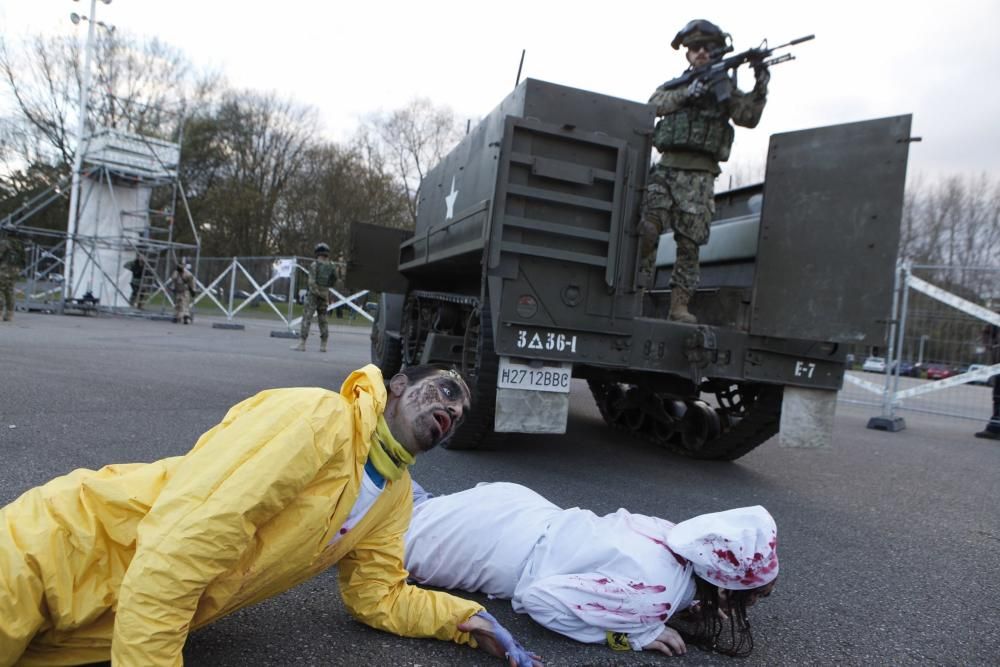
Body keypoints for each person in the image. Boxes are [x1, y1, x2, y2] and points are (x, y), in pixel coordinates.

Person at [0, 365, 541, 667]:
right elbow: (181, 547)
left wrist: (463, 621)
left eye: (460, 414)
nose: (452, 410)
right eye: (447, 390)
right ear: (398, 384)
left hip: (97, 621)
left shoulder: (394, 494)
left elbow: (378, 596)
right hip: (54, 552)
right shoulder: (318, 419)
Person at [405, 481, 778, 658]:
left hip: (516, 506)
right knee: (375, 522)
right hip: (479, 545)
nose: (758, 601)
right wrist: (631, 636)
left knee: (415, 501)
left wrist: (689, 604)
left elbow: (633, 565)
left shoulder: (674, 535)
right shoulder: (658, 597)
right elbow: (540, 600)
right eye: (757, 595)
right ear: (725, 588)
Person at [638, 19, 770, 323]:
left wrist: (760, 83)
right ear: (687, 53)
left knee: (689, 244)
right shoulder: (676, 85)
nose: (699, 53)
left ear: (716, 50)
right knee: (646, 229)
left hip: (700, 177)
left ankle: (679, 306)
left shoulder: (723, 87)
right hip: (666, 170)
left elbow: (747, 117)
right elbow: (653, 105)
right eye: (694, 48)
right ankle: (637, 293)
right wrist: (688, 93)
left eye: (706, 48)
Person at [292, 242, 336, 352]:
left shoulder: (314, 265)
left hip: (313, 295)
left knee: (307, 318)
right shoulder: (331, 266)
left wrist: (316, 291)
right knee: (323, 319)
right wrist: (325, 289)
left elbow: (311, 282)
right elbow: (334, 279)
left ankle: (302, 343)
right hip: (324, 294)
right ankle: (323, 345)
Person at [975, 317, 1000, 440]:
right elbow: (986, 332)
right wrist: (991, 346)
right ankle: (995, 428)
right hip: (998, 364)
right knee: (998, 396)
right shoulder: (997, 315)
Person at [0, 225, 26, 322]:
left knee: (0, 290)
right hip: (15, 270)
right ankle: (10, 314)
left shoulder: (4, 243)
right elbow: (24, 259)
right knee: (10, 291)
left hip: (4, 269)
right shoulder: (20, 244)